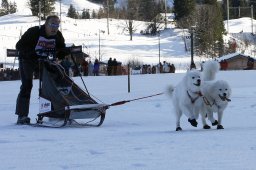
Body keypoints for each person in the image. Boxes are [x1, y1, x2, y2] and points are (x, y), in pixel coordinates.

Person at [15, 15, 66, 124]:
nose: (55, 28)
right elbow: (19, 46)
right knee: (27, 85)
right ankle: (22, 116)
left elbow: (62, 49)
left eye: (57, 25)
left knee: (51, 83)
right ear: (46, 24)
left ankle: (54, 111)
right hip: (27, 60)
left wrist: (61, 56)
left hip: (44, 61)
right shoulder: (34, 32)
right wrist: (33, 53)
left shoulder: (58, 36)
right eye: (52, 24)